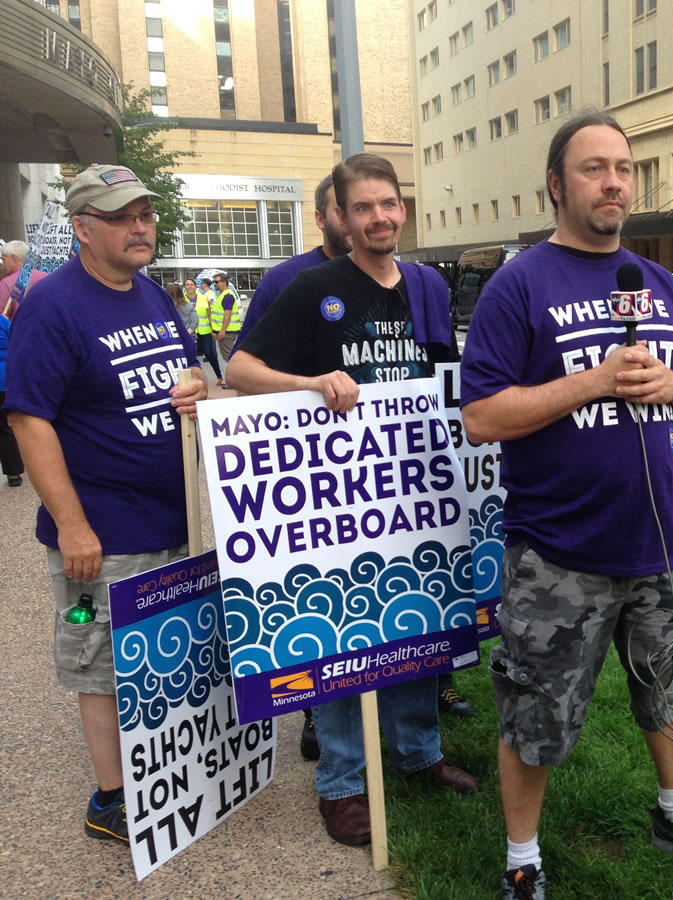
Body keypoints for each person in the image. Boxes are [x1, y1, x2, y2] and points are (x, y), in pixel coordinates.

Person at [459, 112, 673, 900]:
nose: (615, 182)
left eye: (624, 167)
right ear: (556, 184)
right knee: (537, 711)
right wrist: (591, 382)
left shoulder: (656, 285)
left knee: (670, 682)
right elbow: (482, 416)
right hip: (559, 553)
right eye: (594, 168)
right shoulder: (519, 285)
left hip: (659, 544)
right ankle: (523, 862)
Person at [226, 152, 478, 847]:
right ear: (340, 214)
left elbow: (443, 374)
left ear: (403, 208)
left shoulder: (427, 285)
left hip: (412, 490)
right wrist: (310, 384)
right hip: (335, 497)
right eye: (362, 207)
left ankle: (417, 753)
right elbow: (240, 367)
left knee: (415, 624)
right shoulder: (314, 288)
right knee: (339, 635)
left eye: (388, 204)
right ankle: (341, 784)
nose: (378, 218)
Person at [5, 163, 206, 845]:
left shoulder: (150, 295)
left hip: (171, 521)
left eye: (145, 215)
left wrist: (193, 384)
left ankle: (163, 777)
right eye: (122, 217)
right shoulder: (53, 305)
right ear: (84, 228)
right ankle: (111, 801)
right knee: (102, 665)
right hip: (102, 534)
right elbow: (29, 419)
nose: (140, 227)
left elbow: (189, 371)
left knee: (160, 657)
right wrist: (72, 525)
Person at [232, 174, 351, 353]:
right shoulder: (281, 281)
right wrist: (308, 382)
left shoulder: (402, 280)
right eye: (342, 212)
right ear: (320, 219)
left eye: (362, 210)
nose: (355, 220)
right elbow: (241, 370)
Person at [0, 311, 23, 486]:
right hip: (6, 378)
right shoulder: (3, 322)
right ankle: (14, 474)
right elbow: (17, 340)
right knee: (7, 428)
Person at [0, 240, 50, 318]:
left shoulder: (6, 284)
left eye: (4, 259)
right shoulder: (46, 277)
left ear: (13, 259)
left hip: (18, 329)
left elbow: (2, 318)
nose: (2, 264)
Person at [192, 276, 224, 387]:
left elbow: (212, 310)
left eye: (201, 283)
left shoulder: (210, 295)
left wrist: (213, 328)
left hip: (206, 329)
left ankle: (220, 376)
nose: (199, 285)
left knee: (210, 353)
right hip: (196, 330)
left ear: (204, 284)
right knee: (207, 353)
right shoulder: (203, 295)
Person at [212, 271, 241, 361]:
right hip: (226, 331)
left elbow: (227, 314)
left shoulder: (227, 295)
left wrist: (223, 331)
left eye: (216, 282)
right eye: (214, 282)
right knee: (228, 356)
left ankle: (240, 374)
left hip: (227, 332)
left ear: (224, 282)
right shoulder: (222, 295)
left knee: (230, 357)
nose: (214, 284)